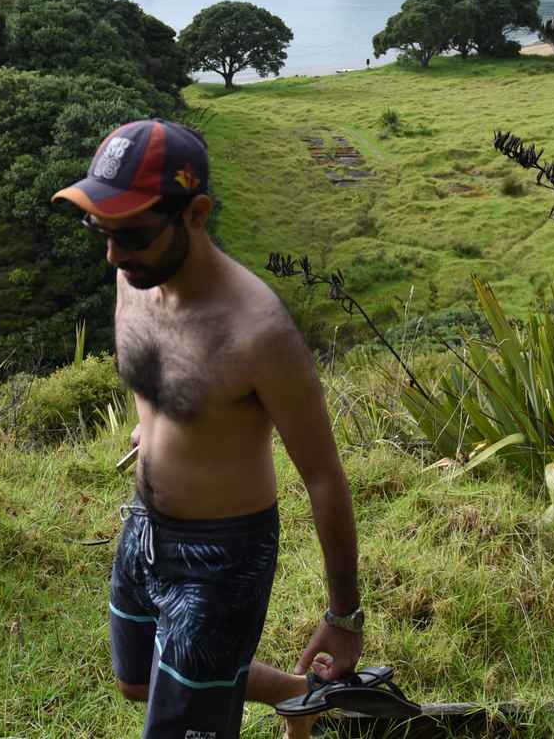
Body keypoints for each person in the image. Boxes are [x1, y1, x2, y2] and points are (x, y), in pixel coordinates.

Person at [52, 119, 370, 739]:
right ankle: (298, 697)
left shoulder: (257, 332)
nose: (114, 254)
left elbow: (325, 476)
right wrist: (158, 429)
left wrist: (344, 614)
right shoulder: (133, 275)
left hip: (220, 558)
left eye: (134, 234)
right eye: (101, 230)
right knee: (137, 681)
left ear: (196, 214)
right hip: (144, 525)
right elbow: (160, 377)